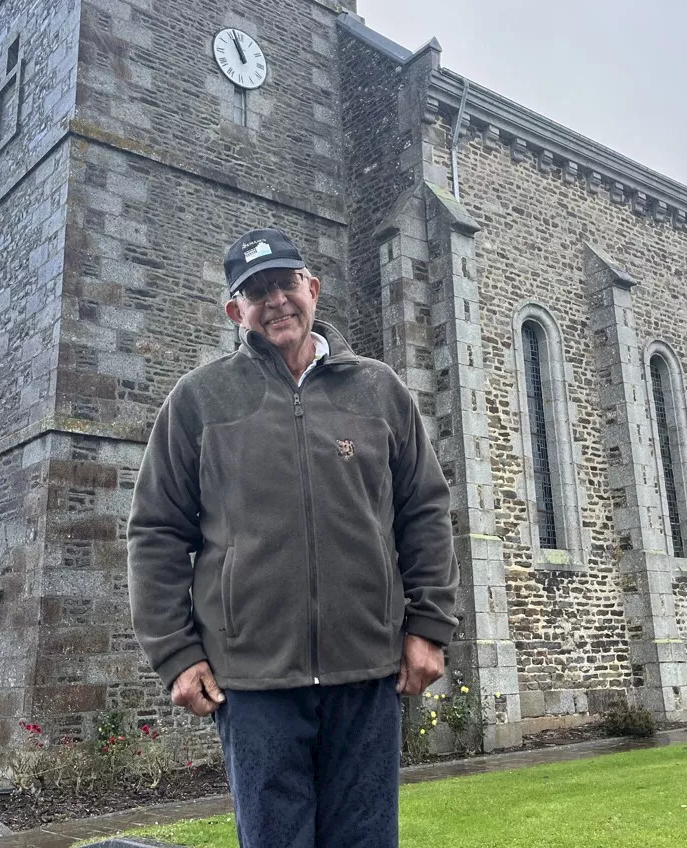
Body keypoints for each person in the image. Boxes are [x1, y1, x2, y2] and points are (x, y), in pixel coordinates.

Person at [126, 227, 459, 848]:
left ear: (313, 288)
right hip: (253, 682)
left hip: (366, 670)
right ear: (236, 311)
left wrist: (429, 627)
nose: (276, 301)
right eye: (257, 292)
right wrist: (177, 653)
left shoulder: (379, 390)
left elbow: (425, 511)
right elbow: (157, 532)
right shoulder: (199, 400)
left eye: (285, 283)